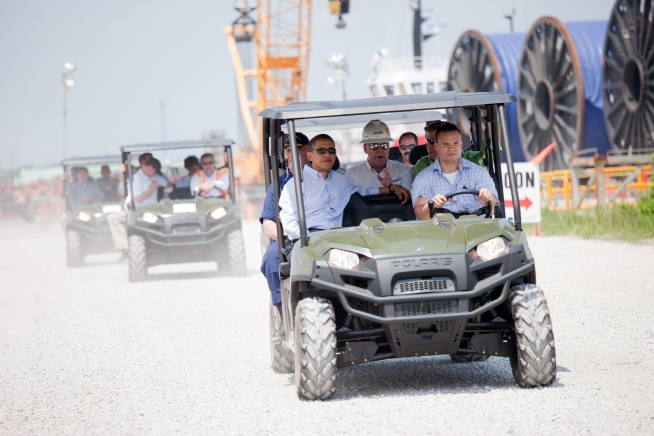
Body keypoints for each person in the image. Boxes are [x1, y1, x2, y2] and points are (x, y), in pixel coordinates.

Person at [279, 134, 369, 256]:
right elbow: (288, 220)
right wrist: (308, 239)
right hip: (305, 241)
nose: (327, 154)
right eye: (321, 150)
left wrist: (389, 188)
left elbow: (364, 191)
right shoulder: (295, 184)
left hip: (337, 239)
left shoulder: (341, 180)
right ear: (309, 156)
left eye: (331, 151)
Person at [260, 132, 310, 314]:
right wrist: (291, 233)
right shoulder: (278, 186)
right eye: (288, 150)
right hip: (290, 238)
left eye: (298, 149)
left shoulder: (325, 179)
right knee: (271, 257)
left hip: (320, 234)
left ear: (309, 153)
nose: (293, 154)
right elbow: (268, 225)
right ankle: (281, 309)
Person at [412, 123, 498, 220]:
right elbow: (420, 214)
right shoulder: (423, 178)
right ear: (436, 146)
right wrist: (431, 206)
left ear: (461, 144)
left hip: (476, 228)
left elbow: (495, 208)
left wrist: (488, 199)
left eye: (456, 143)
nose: (451, 148)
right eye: (446, 144)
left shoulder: (479, 173)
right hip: (440, 228)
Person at [345, 120, 413, 204]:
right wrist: (390, 189)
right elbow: (349, 202)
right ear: (365, 148)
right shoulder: (352, 174)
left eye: (384, 145)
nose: (380, 150)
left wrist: (391, 188)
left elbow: (408, 198)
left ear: (389, 147)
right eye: (374, 146)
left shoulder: (404, 170)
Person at [108, 158, 161, 261]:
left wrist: (168, 187)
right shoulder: (137, 179)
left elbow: (167, 184)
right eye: (154, 170)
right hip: (137, 211)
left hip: (153, 211)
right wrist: (153, 189)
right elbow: (138, 198)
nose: (155, 172)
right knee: (113, 218)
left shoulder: (154, 177)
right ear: (150, 167)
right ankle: (126, 247)